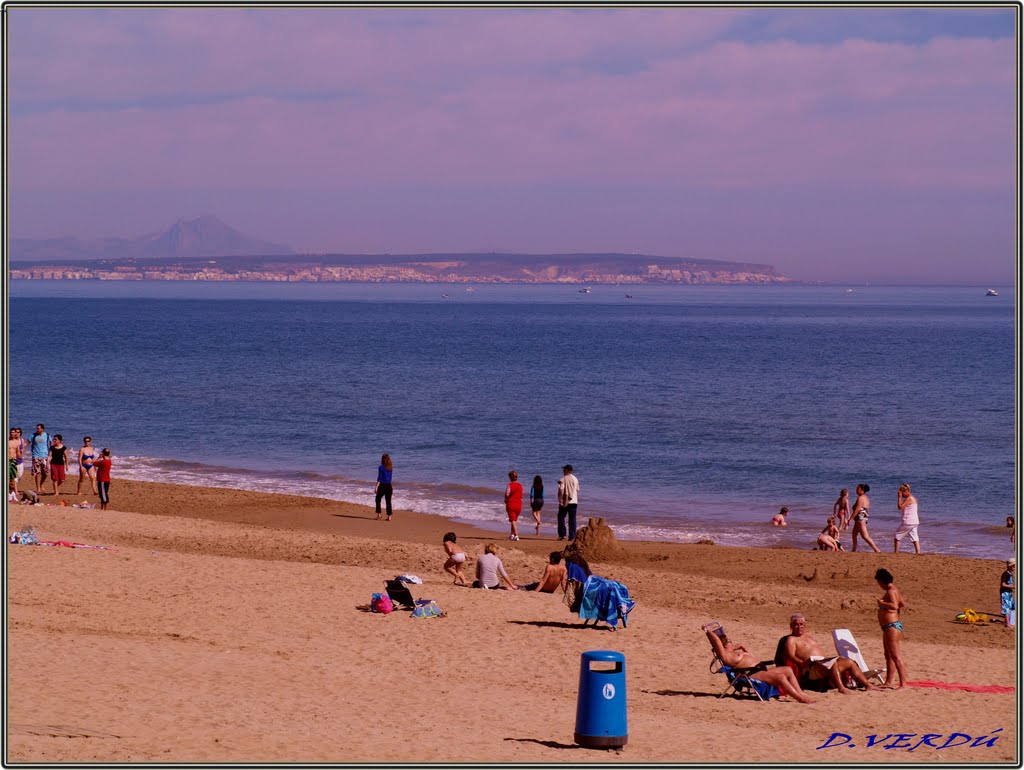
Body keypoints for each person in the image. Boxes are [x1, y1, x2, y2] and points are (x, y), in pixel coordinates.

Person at [703, 623, 816, 704]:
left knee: (787, 669)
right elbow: (717, 641)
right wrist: (708, 631)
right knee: (781, 677)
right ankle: (801, 699)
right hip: (750, 673)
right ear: (724, 646)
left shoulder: (736, 653)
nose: (731, 643)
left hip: (760, 669)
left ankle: (801, 693)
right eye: (729, 642)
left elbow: (753, 658)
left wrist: (744, 648)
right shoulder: (726, 656)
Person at [782, 613, 877, 694]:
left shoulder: (808, 636)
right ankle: (841, 688)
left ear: (805, 625)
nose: (799, 627)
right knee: (832, 663)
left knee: (849, 662)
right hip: (810, 668)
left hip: (822, 663)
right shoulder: (791, 639)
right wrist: (802, 663)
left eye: (801, 624)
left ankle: (867, 685)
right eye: (796, 625)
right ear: (791, 626)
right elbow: (790, 655)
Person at [875, 568, 908, 688]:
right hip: (888, 627)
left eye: (879, 583)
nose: (879, 586)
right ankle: (888, 681)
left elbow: (894, 606)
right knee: (888, 655)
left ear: (882, 581)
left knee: (895, 656)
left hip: (892, 626)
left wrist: (881, 603)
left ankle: (903, 684)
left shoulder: (891, 591)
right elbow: (902, 604)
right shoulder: (894, 590)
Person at [850, 484, 880, 553]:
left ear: (862, 490)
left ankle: (876, 550)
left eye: (857, 489)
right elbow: (866, 510)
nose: (856, 490)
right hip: (862, 517)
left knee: (865, 536)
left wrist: (850, 519)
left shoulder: (861, 498)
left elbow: (857, 509)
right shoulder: (865, 497)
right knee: (854, 534)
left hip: (860, 517)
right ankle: (854, 549)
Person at [894, 483, 921, 554]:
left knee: (897, 536)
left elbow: (900, 507)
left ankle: (896, 552)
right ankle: (918, 552)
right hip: (915, 521)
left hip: (909, 521)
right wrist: (907, 486)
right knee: (914, 537)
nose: (902, 495)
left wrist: (899, 497)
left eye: (902, 494)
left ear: (906, 492)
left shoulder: (909, 499)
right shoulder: (912, 498)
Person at [556, 464, 579, 542]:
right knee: (572, 519)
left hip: (565, 501)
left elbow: (561, 490)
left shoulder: (563, 479)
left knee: (561, 517)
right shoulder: (575, 479)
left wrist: (560, 499)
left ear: (568, 470)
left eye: (564, 469)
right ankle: (572, 536)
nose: (563, 471)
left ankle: (562, 535)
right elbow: (577, 489)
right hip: (574, 501)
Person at [47, 434, 71, 498]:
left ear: (59, 440)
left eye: (56, 439)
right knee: (55, 479)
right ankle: (56, 492)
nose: (54, 440)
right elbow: (49, 456)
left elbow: (66, 457)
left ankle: (55, 487)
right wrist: (47, 464)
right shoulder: (52, 447)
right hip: (53, 464)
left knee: (62, 479)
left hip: (61, 464)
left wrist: (67, 465)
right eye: (54, 439)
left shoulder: (63, 448)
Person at [29, 424, 51, 494]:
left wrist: (51, 453)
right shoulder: (33, 435)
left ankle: (41, 484)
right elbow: (27, 442)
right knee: (37, 473)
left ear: (42, 429)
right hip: (36, 456)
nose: (37, 430)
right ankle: (38, 488)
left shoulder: (47, 435)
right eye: (36, 428)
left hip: (45, 456)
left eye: (38, 428)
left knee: (45, 473)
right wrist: (22, 447)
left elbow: (51, 444)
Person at [504, 470, 524, 541]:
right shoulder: (520, 485)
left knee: (513, 520)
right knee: (514, 520)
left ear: (510, 477)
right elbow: (521, 495)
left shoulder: (510, 485)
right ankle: (512, 535)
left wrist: (505, 499)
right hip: (519, 505)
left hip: (511, 504)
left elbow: (507, 494)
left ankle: (516, 535)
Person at [374, 453, 393, 521]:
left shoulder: (381, 467)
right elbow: (390, 477)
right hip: (389, 486)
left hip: (382, 485)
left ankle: (379, 515)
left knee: (377, 499)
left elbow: (379, 478)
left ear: (382, 460)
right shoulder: (390, 467)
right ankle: (389, 516)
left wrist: (376, 487)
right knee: (388, 501)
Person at [8, 428, 23, 497]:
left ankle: (11, 491)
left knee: (13, 477)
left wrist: (20, 456)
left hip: (13, 460)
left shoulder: (17, 442)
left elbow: (18, 452)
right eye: (11, 432)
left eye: (13, 432)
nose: (12, 433)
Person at [1000, 559, 1015, 629]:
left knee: (1010, 606)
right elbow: (1003, 584)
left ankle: (1009, 622)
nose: (1014, 568)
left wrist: (1012, 589)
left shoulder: (1010, 574)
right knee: (1006, 608)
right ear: (1010, 566)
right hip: (1004, 592)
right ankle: (1008, 623)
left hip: (1008, 592)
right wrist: (1013, 587)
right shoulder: (1005, 574)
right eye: (1013, 566)